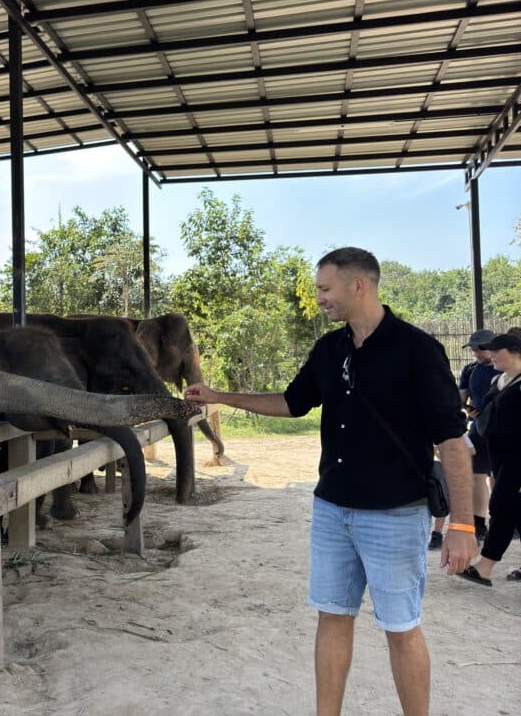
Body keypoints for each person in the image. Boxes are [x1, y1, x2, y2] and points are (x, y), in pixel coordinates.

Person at [185, 247, 476, 716]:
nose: (319, 298)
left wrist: (462, 524)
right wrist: (220, 396)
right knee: (332, 617)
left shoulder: (417, 350)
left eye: (324, 289)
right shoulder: (329, 349)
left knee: (401, 627)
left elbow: (453, 441)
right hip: (332, 510)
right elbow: (292, 402)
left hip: (396, 514)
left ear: (357, 285)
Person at [457, 333, 521, 587]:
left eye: (496, 349)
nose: (489, 354)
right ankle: (484, 568)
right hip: (498, 455)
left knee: (500, 505)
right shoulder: (498, 379)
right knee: (513, 510)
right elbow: (488, 414)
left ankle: (484, 567)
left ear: (515, 350)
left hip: (518, 456)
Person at [430, 328, 497, 548]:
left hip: (506, 431)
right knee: (478, 476)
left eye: (481, 348)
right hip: (479, 429)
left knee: (500, 478)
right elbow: (460, 399)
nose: (477, 353)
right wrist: (471, 411)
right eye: (474, 349)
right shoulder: (471, 369)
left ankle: (504, 519)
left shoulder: (508, 368)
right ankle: (480, 523)